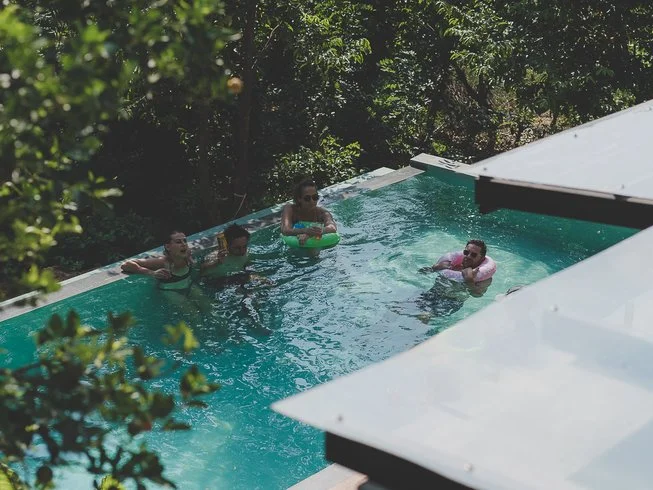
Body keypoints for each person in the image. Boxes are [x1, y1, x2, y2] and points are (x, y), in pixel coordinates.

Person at [121, 229, 194, 295]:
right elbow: (125, 264)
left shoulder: (187, 254)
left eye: (185, 241)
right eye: (178, 242)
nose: (184, 244)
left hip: (188, 285)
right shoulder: (162, 262)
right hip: (170, 291)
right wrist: (152, 273)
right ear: (168, 247)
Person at [420, 239, 495, 297]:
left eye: (473, 255)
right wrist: (435, 268)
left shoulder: (483, 276)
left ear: (481, 258)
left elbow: (477, 295)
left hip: (452, 302)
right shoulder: (453, 266)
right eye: (466, 252)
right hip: (432, 293)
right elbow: (421, 273)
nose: (468, 256)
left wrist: (469, 281)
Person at [280, 178, 337, 246]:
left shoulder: (323, 213)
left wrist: (314, 233)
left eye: (315, 197)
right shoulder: (290, 209)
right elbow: (285, 230)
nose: (312, 201)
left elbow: (332, 228)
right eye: (307, 198)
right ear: (299, 199)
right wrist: (305, 231)